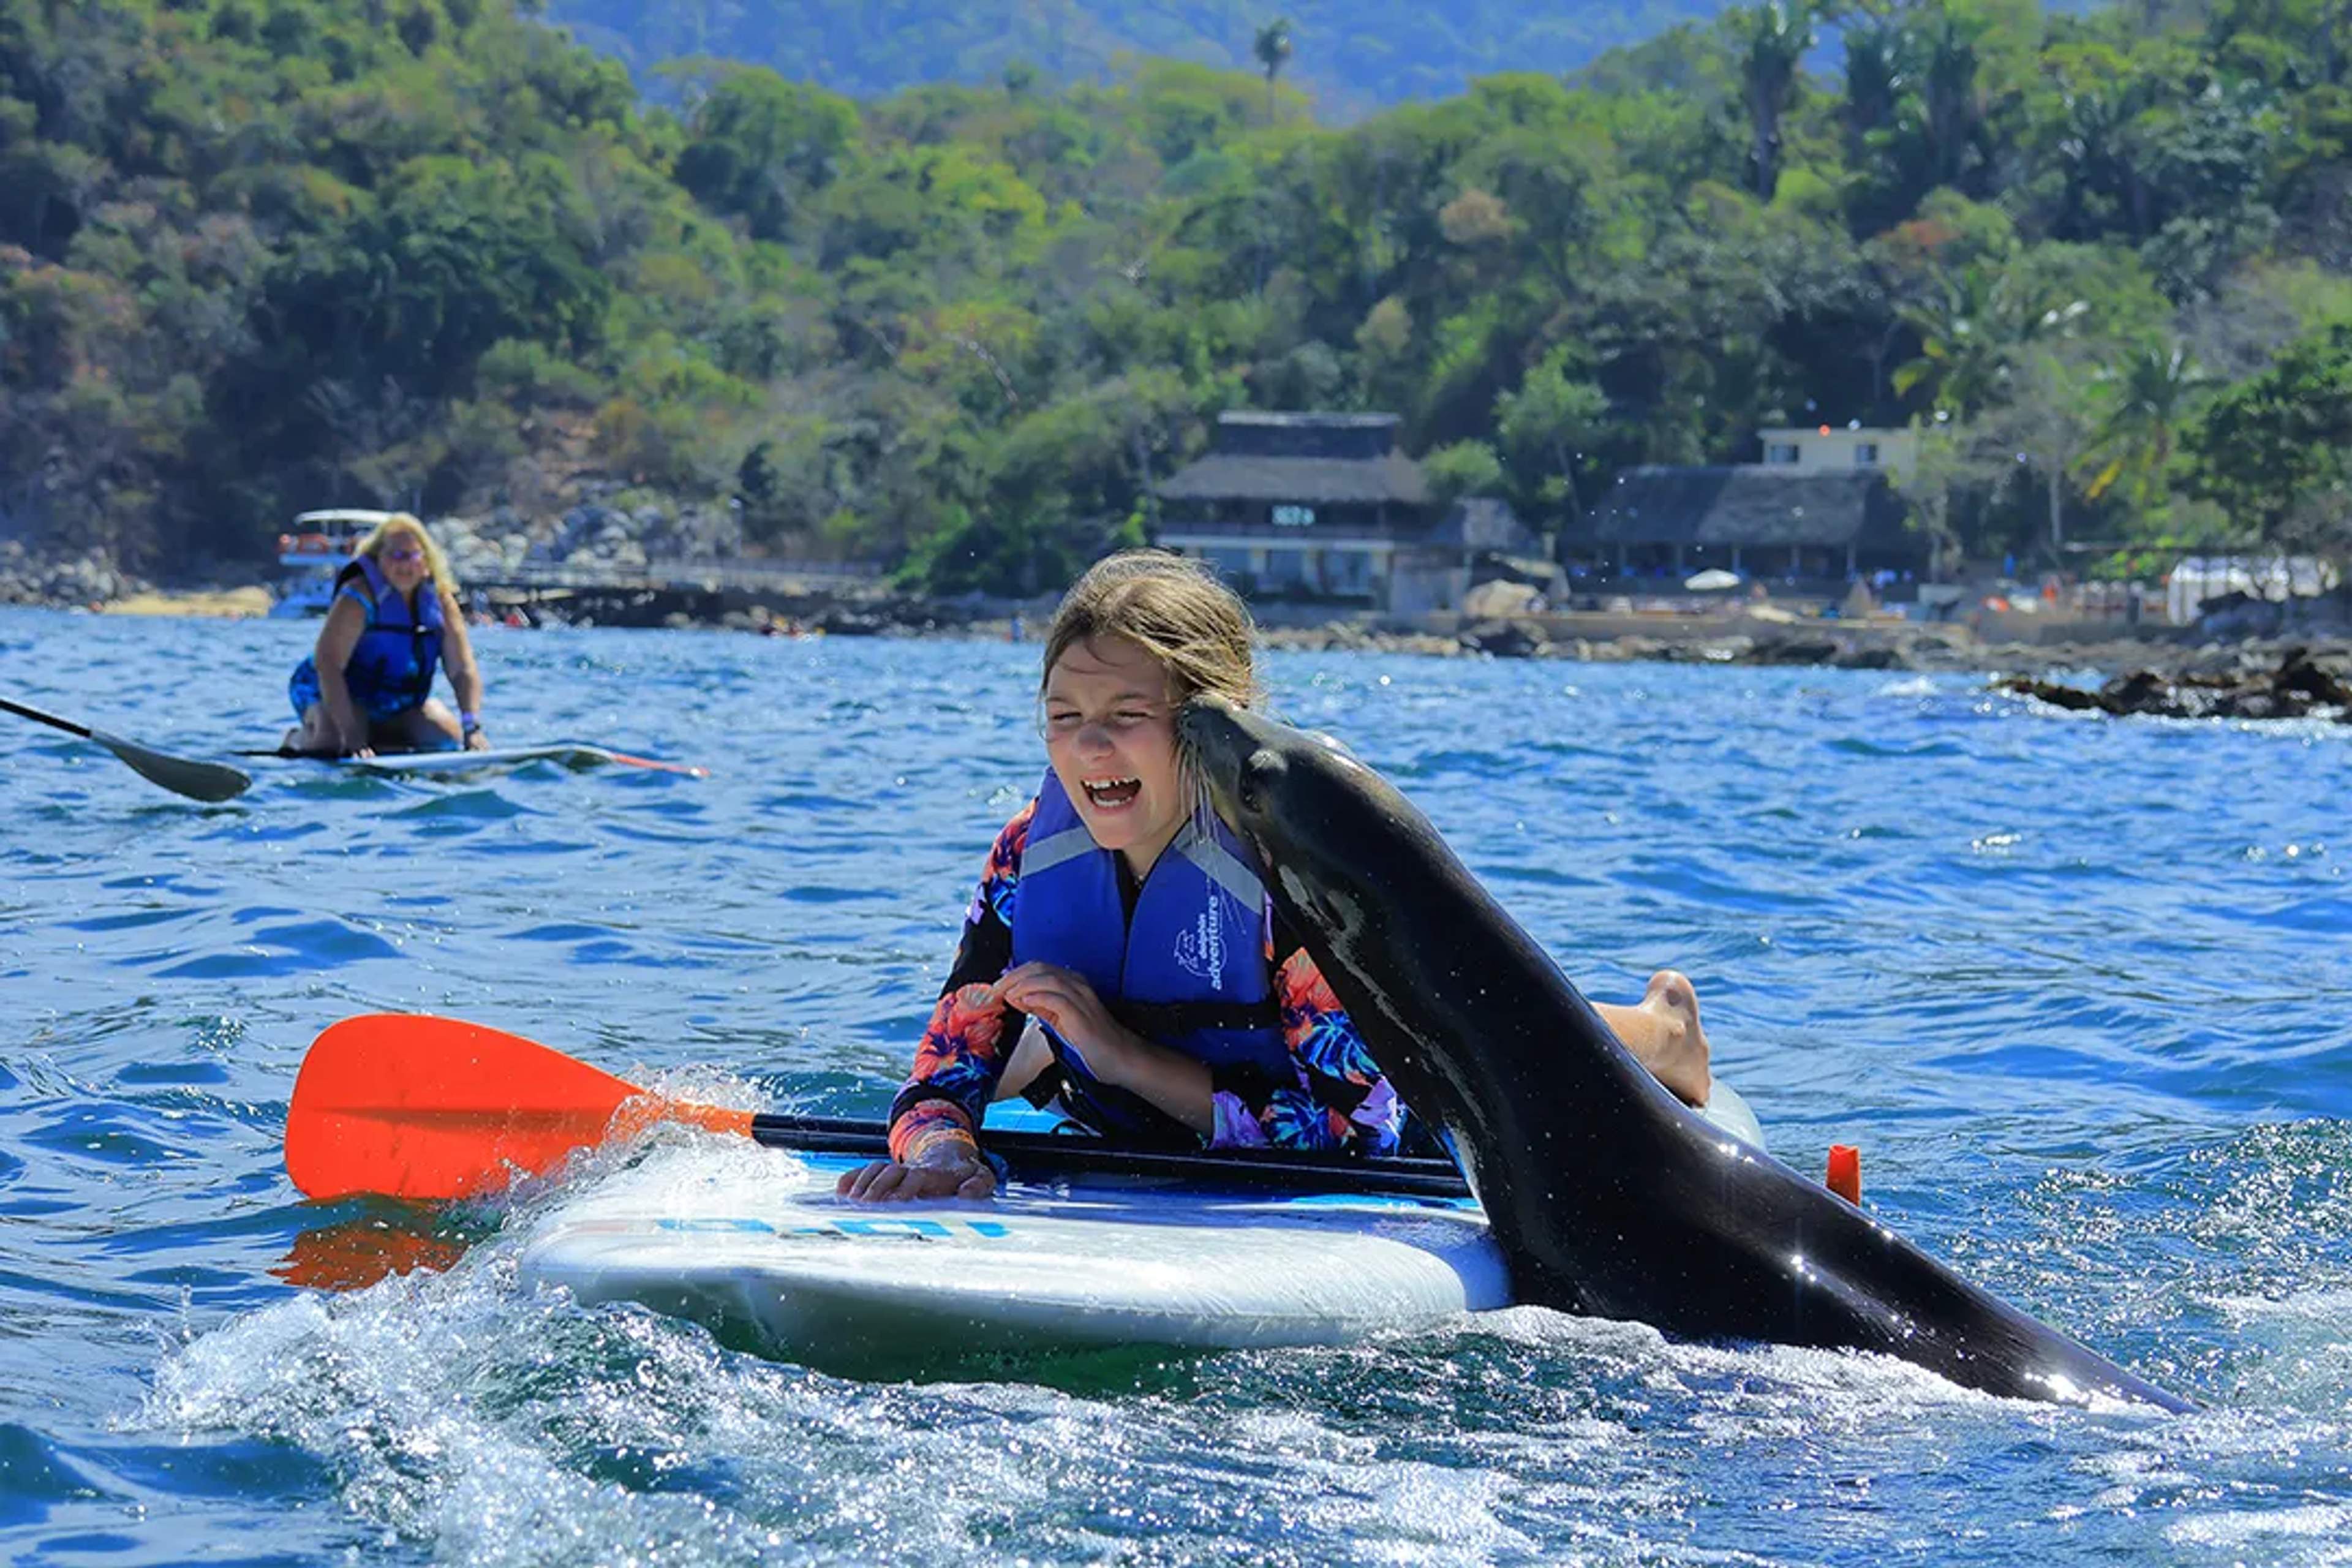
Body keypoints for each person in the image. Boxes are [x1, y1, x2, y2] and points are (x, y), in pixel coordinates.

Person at [840, 551, 1713, 1203]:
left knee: (1516, 1038)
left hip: (1399, 1101)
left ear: (1208, 722)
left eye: (1126, 716)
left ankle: (1665, 1034)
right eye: (1064, 718)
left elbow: (1353, 1131)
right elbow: (939, 1075)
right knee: (1022, 1045)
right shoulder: (1026, 858)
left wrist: (1126, 1059)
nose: (1089, 746)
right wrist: (944, 1153)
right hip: (1130, 1122)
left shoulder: (1285, 871)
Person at [284, 513, 491, 758]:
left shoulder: (441, 603)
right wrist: (350, 734)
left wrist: (472, 727)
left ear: (426, 563)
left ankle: (377, 737)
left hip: (396, 703)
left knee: (444, 739)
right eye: (394, 555)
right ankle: (297, 738)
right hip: (331, 692)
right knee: (332, 741)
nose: (403, 565)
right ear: (378, 560)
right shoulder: (358, 597)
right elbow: (328, 665)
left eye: (412, 555)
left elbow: (461, 669)